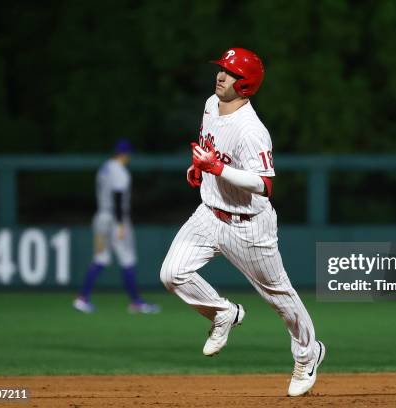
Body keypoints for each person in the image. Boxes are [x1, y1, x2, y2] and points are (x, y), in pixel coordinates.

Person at [160, 48, 324, 397]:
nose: (221, 76)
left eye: (231, 73)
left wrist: (218, 169)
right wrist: (200, 171)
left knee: (280, 298)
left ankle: (309, 353)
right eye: (221, 69)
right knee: (172, 274)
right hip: (209, 214)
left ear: (246, 83)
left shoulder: (252, 131)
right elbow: (212, 151)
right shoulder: (210, 104)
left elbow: (264, 185)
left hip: (247, 225)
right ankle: (224, 314)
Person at [73, 139, 160, 314]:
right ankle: (136, 302)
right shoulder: (120, 172)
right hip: (115, 219)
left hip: (101, 217)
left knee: (100, 258)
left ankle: (82, 298)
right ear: (126, 154)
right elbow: (118, 197)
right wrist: (120, 224)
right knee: (127, 258)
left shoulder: (105, 167)